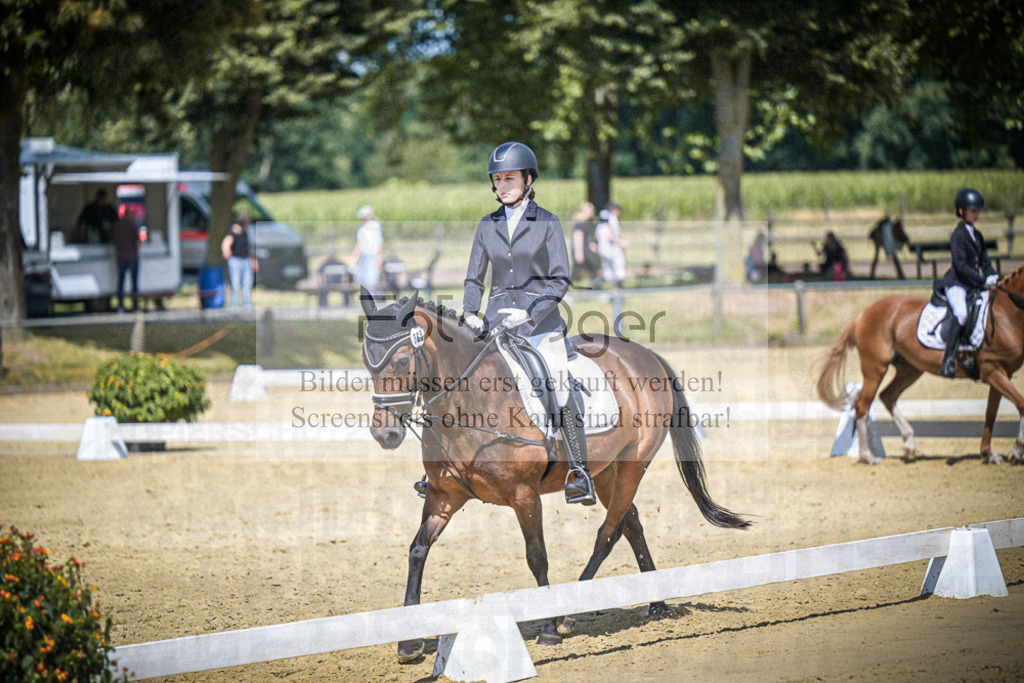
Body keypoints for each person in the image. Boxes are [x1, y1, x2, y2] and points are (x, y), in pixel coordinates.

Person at [461, 141, 596, 506]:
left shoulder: (547, 222)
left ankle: (580, 473)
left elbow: (560, 278)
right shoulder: (487, 225)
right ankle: (443, 470)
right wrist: (470, 312)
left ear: (528, 179)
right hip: (496, 326)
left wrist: (532, 312)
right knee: (458, 380)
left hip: (540, 326)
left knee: (559, 383)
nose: (503, 185)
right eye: (498, 179)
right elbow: (474, 278)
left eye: (510, 178)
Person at [939, 188, 998, 378]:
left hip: (973, 285)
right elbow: (961, 265)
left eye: (978, 211)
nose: (977, 214)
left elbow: (985, 262)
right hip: (957, 284)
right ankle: (949, 358)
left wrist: (993, 276)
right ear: (962, 211)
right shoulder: (957, 235)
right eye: (973, 210)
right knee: (962, 313)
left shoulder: (977, 235)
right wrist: (982, 280)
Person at [221, 212, 258, 311]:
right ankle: (235, 306)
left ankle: (247, 305)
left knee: (247, 283)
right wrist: (226, 250)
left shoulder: (245, 233)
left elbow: (248, 248)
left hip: (245, 260)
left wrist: (254, 260)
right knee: (236, 284)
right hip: (235, 260)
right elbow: (226, 242)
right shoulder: (233, 232)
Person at [110, 206, 141, 313]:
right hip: (132, 257)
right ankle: (135, 306)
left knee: (121, 283)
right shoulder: (133, 226)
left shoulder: (116, 226)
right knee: (134, 283)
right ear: (129, 215)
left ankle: (120, 306)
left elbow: (112, 242)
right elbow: (137, 243)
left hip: (120, 257)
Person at [351, 204, 383, 295]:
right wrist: (354, 257)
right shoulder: (362, 228)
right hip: (363, 257)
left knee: (371, 282)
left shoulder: (374, 226)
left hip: (371, 257)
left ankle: (373, 304)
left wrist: (379, 258)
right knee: (361, 280)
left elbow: (379, 245)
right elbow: (360, 244)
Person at [596, 203, 628, 288]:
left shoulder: (600, 224)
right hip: (611, 248)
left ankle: (606, 287)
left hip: (602, 248)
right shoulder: (612, 219)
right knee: (618, 267)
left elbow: (597, 235)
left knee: (607, 269)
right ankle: (616, 288)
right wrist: (621, 242)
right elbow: (611, 236)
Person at [570, 201, 600, 286]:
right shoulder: (581, 224)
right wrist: (579, 253)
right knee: (577, 272)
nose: (592, 214)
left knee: (581, 272)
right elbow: (578, 238)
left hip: (586, 250)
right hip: (583, 251)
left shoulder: (587, 223)